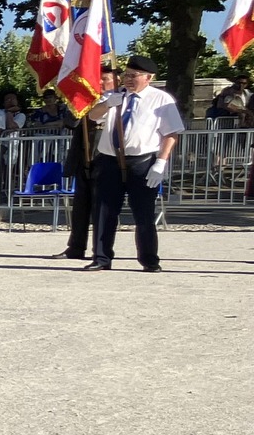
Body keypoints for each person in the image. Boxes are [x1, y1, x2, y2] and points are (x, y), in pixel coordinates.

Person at [84, 55, 182, 273]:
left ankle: (149, 259)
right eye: (126, 75)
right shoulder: (115, 95)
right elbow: (92, 116)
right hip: (110, 160)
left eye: (133, 76)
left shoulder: (161, 99)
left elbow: (171, 133)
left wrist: (161, 162)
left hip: (142, 161)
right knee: (104, 211)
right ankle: (101, 257)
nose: (128, 79)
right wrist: (107, 104)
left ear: (148, 78)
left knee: (143, 213)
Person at [57, 86, 104, 260]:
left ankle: (101, 251)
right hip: (83, 157)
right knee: (80, 207)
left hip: (105, 158)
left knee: (101, 208)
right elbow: (70, 123)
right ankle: (75, 247)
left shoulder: (120, 99)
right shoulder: (86, 100)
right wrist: (80, 106)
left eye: (105, 79)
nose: (100, 82)